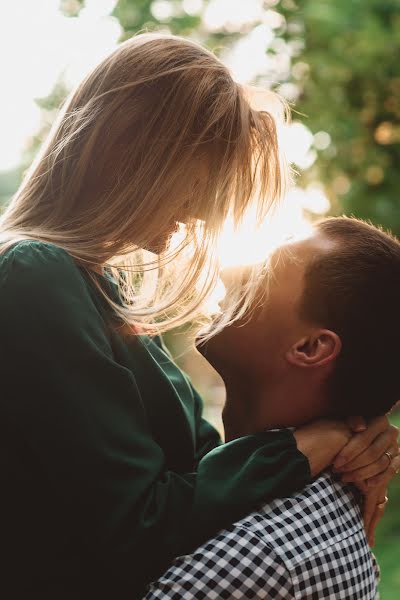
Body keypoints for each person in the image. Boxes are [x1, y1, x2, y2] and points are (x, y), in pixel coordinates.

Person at [0, 34, 397, 599]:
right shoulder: (35, 276)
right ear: (134, 151)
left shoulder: (99, 289)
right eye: (202, 183)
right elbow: (137, 527)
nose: (198, 215)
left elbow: (200, 478)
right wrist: (304, 448)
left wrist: (354, 433)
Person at [144, 217, 400, 599]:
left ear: (311, 348)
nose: (236, 273)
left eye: (268, 268)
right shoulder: (313, 504)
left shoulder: (258, 551)